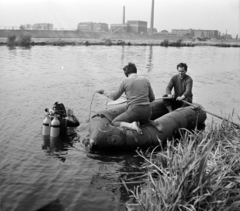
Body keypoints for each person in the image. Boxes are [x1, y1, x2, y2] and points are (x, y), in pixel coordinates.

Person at [96, 62, 155, 134]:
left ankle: (132, 125)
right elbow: (152, 98)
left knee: (115, 122)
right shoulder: (146, 80)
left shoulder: (125, 81)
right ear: (135, 71)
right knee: (132, 111)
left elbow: (114, 97)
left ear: (127, 73)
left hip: (135, 111)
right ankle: (143, 122)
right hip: (147, 113)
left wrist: (103, 91)